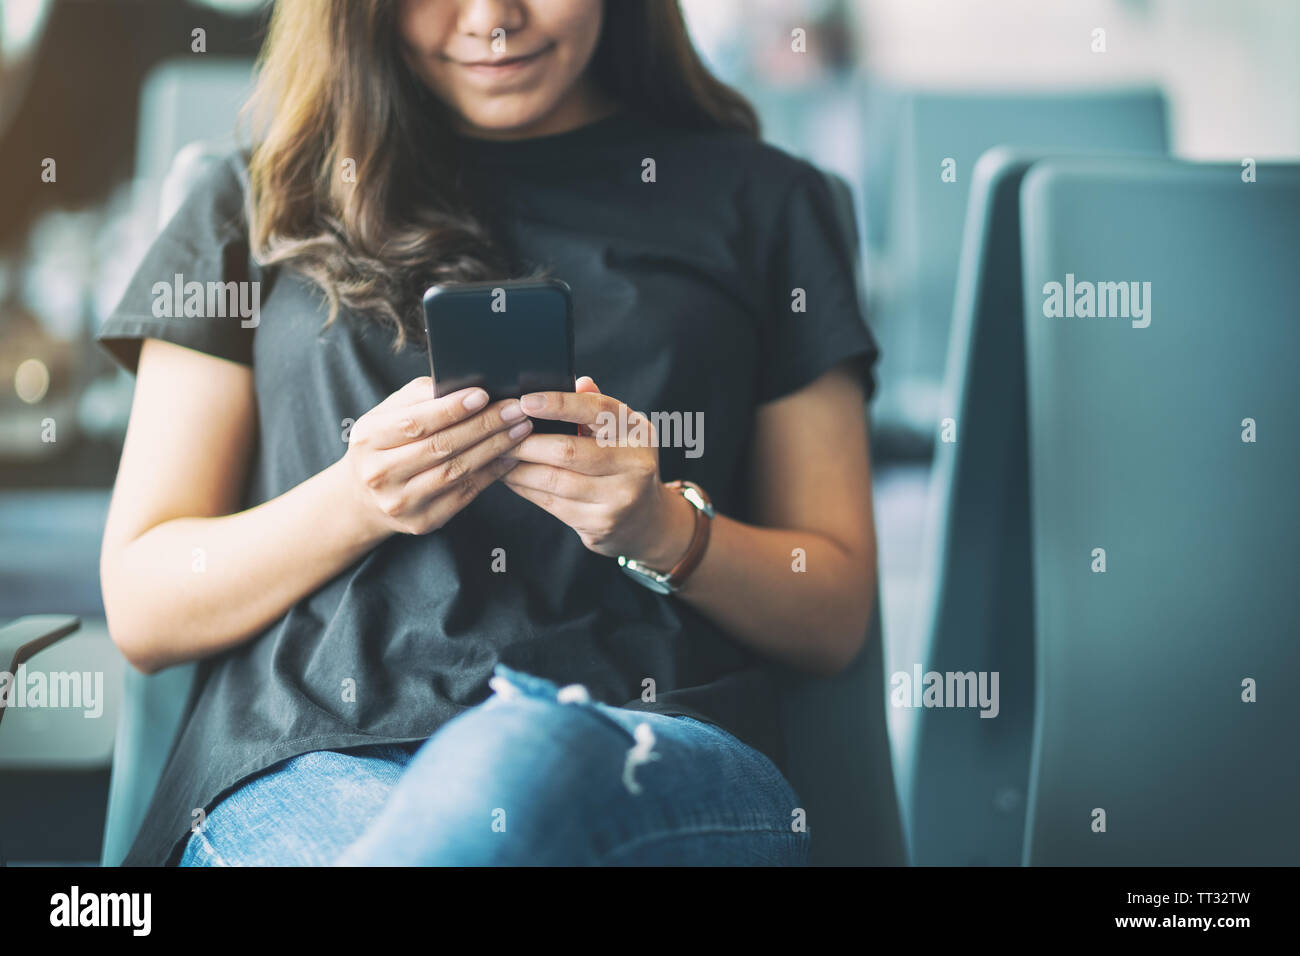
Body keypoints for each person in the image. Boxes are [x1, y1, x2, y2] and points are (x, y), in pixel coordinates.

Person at [96, 0, 880, 866]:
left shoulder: (768, 201)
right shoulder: (249, 204)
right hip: (307, 768)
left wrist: (658, 528)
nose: (492, 18)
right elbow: (144, 602)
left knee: (519, 763)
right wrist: (356, 502)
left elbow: (832, 609)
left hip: (648, 750)